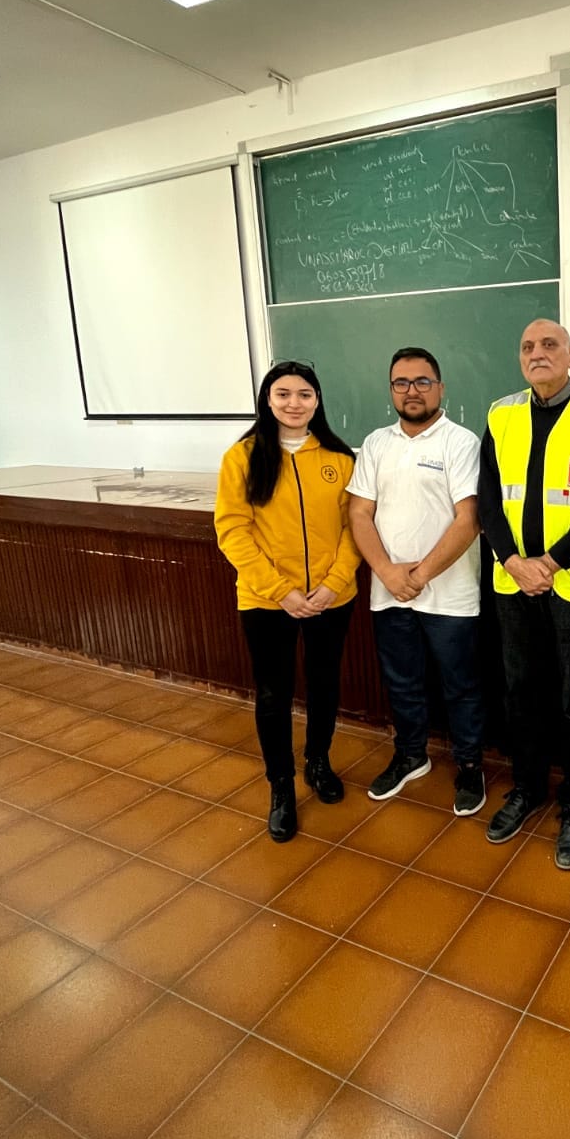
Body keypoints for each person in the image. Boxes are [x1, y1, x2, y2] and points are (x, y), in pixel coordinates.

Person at [478, 318, 570, 870]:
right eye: (527, 347)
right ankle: (528, 787)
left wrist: (550, 562)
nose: (536, 354)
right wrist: (514, 562)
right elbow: (488, 500)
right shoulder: (501, 412)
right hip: (512, 581)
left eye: (548, 345)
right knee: (521, 693)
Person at [214, 361, 361, 842]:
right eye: (283, 394)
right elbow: (232, 531)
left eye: (304, 394)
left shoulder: (339, 458)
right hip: (265, 600)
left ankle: (317, 763)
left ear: (317, 400)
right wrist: (282, 591)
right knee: (274, 695)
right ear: (268, 400)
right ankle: (280, 786)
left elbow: (354, 528)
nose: (294, 403)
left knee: (323, 684)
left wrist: (333, 583)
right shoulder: (243, 456)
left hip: (330, 597)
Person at [347, 347, 485, 815]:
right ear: (391, 390)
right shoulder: (375, 444)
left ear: (441, 388)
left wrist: (420, 574)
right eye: (401, 382)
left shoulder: (461, 442)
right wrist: (388, 573)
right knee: (402, 684)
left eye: (422, 381)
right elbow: (359, 513)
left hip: (450, 596)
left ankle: (468, 765)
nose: (412, 391)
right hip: (389, 594)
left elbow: (470, 519)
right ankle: (411, 755)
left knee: (460, 686)